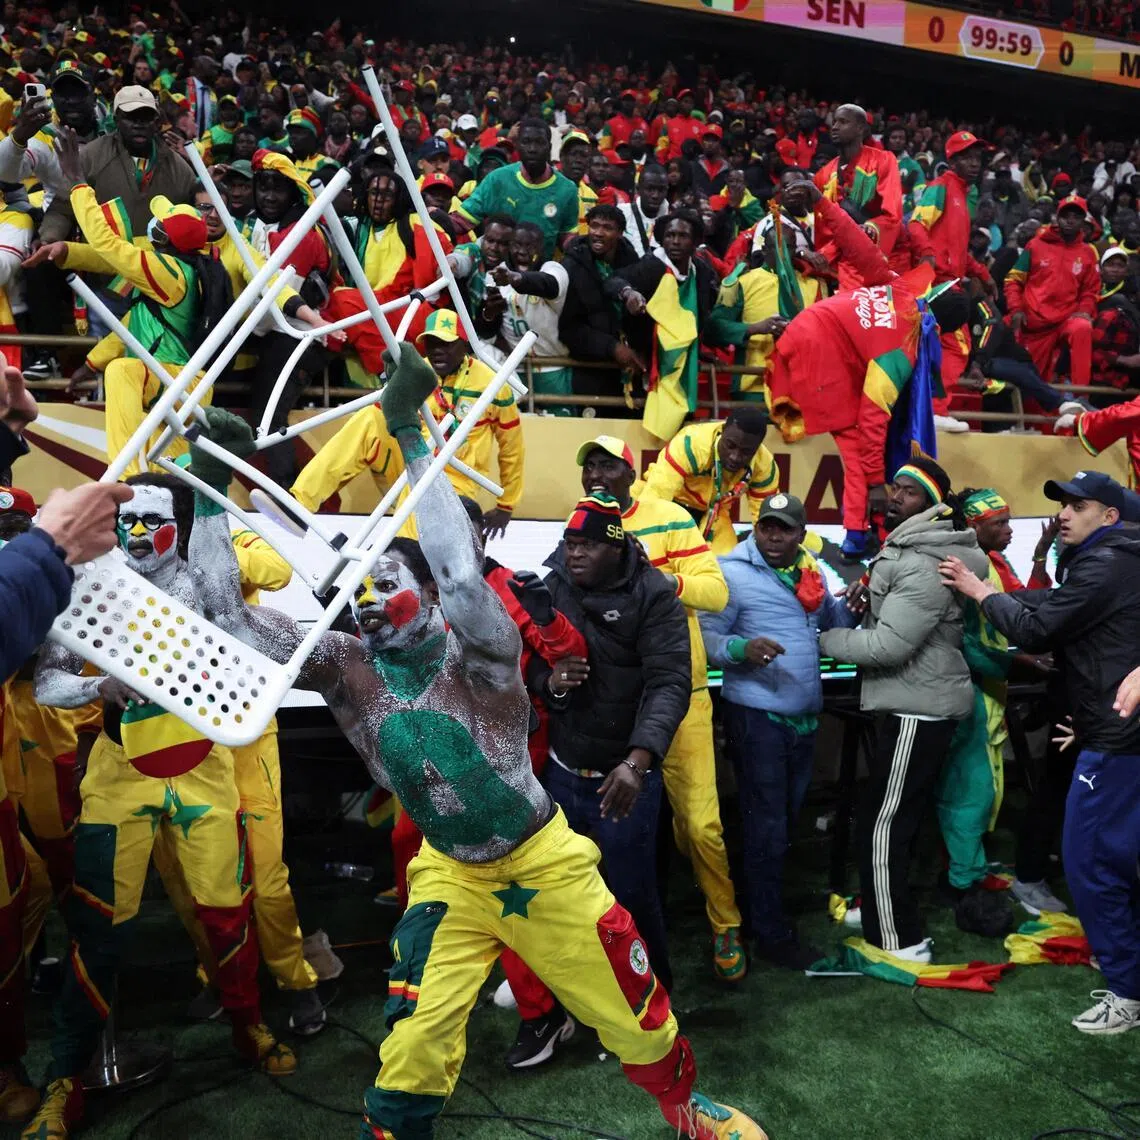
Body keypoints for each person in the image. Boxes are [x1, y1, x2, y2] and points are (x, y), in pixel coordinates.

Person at [187, 374, 766, 1140]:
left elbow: (461, 571)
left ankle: (685, 1110)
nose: (366, 602)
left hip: (542, 862)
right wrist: (202, 489)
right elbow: (226, 616)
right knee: (412, 1041)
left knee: (634, 1013)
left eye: (385, 585)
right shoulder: (344, 668)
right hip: (449, 872)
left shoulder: (480, 654)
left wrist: (410, 432)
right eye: (357, 591)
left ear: (427, 594)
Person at [25, 473, 297, 1140]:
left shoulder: (209, 589)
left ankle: (248, 1026)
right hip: (119, 777)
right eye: (129, 521)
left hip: (205, 772)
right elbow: (47, 681)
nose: (137, 533)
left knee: (226, 914)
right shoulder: (89, 583)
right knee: (96, 933)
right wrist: (100, 679)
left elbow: (268, 644)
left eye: (153, 520)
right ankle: (65, 1082)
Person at [945, 471, 1140, 1033]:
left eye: (1078, 506)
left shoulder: (1106, 562)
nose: (1064, 515)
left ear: (1108, 515)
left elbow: (1038, 628)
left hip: (1118, 741)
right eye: (1063, 505)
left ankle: (1127, 988)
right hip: (1109, 728)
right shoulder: (1117, 557)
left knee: (1088, 862)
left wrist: (980, 591)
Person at [578, 436, 745, 980]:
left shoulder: (669, 516)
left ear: (634, 472)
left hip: (683, 695)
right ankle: (615, 939)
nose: (597, 474)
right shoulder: (579, 525)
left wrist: (661, 580)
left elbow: (716, 594)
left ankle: (725, 923)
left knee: (700, 827)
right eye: (591, 466)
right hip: (614, 702)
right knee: (611, 832)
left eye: (608, 465)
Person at [820, 457, 989, 961]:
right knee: (893, 815)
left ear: (932, 506)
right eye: (893, 487)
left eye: (909, 492)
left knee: (884, 822)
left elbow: (890, 646)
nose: (894, 497)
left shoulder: (921, 561)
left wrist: (824, 638)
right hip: (916, 699)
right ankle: (878, 904)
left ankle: (898, 938)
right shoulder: (912, 550)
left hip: (917, 705)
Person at [766, 183, 972, 559]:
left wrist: (821, 202)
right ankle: (857, 535)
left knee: (856, 446)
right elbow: (874, 417)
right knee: (861, 445)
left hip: (803, 335)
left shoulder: (899, 288)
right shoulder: (903, 348)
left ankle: (857, 533)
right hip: (819, 363)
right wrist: (878, 483)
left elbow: (859, 246)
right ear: (941, 331)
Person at [539, 491, 691, 991]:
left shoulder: (653, 593)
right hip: (563, 770)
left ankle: (650, 999)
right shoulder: (552, 582)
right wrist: (551, 683)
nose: (574, 553)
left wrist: (638, 761)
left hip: (622, 777)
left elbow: (670, 681)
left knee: (629, 894)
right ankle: (574, 996)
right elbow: (528, 661)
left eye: (586, 545)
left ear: (616, 547)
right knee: (561, 894)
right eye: (569, 542)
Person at [700, 493, 858, 966]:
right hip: (756, 716)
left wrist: (853, 606)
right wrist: (740, 648)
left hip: (803, 719)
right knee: (767, 825)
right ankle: (769, 932)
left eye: (784, 529)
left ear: (800, 532)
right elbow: (706, 639)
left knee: (780, 823)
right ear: (756, 527)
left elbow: (834, 622)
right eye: (767, 526)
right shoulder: (729, 570)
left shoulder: (809, 570)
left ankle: (754, 913)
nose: (774, 536)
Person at [22, 128, 212, 477]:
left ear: (163, 237)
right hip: (180, 384)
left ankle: (125, 477)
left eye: (160, 221)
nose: (152, 224)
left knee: (123, 370)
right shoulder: (181, 266)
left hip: (170, 379)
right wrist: (93, 363)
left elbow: (109, 247)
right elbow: (134, 324)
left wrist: (78, 182)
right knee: (177, 477)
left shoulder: (166, 270)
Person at [291, 310, 523, 541]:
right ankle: (299, 505)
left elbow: (512, 448)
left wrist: (506, 505)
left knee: (415, 523)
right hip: (407, 465)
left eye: (446, 343)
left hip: (455, 483)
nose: (437, 350)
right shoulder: (416, 373)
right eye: (431, 342)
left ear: (465, 344)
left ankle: (402, 562)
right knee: (370, 417)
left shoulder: (493, 386)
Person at [610, 208, 721, 440]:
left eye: (683, 236)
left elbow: (702, 317)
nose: (675, 241)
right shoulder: (650, 266)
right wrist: (628, 293)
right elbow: (612, 281)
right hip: (649, 366)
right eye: (670, 235)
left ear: (695, 242)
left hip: (684, 364)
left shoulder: (701, 271)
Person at [38, 85, 196, 244]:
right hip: (102, 264)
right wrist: (48, 240)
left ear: (156, 123)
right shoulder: (91, 157)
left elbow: (194, 217)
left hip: (158, 265)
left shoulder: (179, 169)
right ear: (116, 120)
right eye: (131, 117)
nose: (139, 124)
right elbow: (62, 210)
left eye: (146, 117)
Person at [642, 409, 778, 555]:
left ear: (757, 448)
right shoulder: (691, 443)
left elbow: (766, 520)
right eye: (730, 445)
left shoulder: (764, 466)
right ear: (723, 430)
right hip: (672, 504)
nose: (735, 457)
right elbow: (656, 497)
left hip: (715, 514)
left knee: (727, 564)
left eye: (746, 452)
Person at [1005, 194, 1099, 391]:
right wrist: (1016, 309)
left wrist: (1084, 309)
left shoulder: (1088, 253)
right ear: (1057, 217)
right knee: (1032, 386)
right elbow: (1013, 280)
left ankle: (1081, 393)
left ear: (1083, 221)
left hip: (1065, 320)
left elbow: (1090, 290)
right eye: (1066, 215)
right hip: (1034, 323)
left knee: (1082, 327)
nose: (1070, 220)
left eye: (1076, 216)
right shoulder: (1036, 245)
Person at [480, 221, 573, 411]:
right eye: (516, 245)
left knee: (559, 426)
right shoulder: (495, 275)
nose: (522, 251)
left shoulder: (553, 269)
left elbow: (550, 285)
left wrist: (515, 279)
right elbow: (488, 331)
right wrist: (489, 313)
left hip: (552, 366)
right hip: (514, 367)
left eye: (529, 246)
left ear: (541, 247)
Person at [454, 118, 578, 260]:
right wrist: (433, 220)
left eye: (539, 143)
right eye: (526, 142)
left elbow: (567, 237)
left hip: (540, 275)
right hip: (497, 273)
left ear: (549, 148)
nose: (532, 149)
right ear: (517, 146)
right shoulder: (497, 180)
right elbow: (461, 221)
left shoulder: (567, 190)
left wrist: (580, 246)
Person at [558, 202, 644, 400]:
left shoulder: (633, 262)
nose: (598, 232)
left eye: (607, 228)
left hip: (632, 371)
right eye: (594, 226)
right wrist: (612, 347)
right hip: (590, 373)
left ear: (621, 233)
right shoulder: (570, 266)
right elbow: (568, 329)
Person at [813, 104, 902, 289]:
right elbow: (822, 228)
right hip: (833, 267)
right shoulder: (822, 175)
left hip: (870, 262)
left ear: (861, 128)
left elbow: (892, 215)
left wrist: (870, 228)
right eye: (834, 121)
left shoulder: (883, 160)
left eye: (843, 122)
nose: (835, 126)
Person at [908, 131, 994, 291]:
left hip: (953, 283)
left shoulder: (963, 195)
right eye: (968, 158)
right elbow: (916, 225)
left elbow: (958, 251)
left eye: (977, 158)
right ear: (952, 162)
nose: (975, 164)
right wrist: (927, 254)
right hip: (935, 283)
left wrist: (983, 274)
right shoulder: (941, 186)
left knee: (986, 310)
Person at [1090, 246, 1140, 401]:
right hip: (1104, 367)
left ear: (1126, 271)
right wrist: (1123, 360)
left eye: (1120, 266)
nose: (1115, 270)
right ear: (1101, 268)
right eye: (1111, 265)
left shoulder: (1132, 299)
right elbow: (1093, 348)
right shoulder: (1091, 290)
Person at [618, 164, 669, 258]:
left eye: (661, 190)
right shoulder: (621, 213)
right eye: (650, 189)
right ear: (638, 189)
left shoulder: (673, 222)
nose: (655, 195)